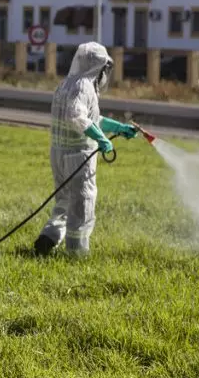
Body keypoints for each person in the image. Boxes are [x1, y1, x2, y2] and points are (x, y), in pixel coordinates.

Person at [34, 42, 137, 257]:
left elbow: (91, 118)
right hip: (78, 156)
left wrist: (117, 127)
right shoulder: (84, 86)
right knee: (82, 203)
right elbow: (77, 117)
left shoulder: (67, 84)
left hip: (59, 153)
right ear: (98, 66)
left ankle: (50, 237)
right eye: (104, 68)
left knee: (64, 200)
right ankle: (77, 253)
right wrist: (101, 138)